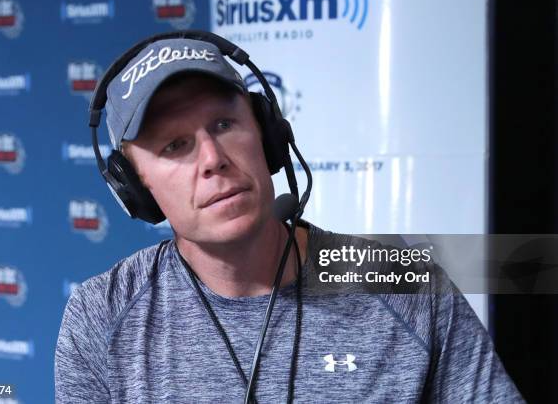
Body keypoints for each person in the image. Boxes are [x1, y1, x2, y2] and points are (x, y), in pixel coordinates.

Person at [55, 33, 523, 403]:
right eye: (175, 146)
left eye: (223, 124)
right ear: (135, 188)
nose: (213, 158)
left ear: (269, 135)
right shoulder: (102, 316)